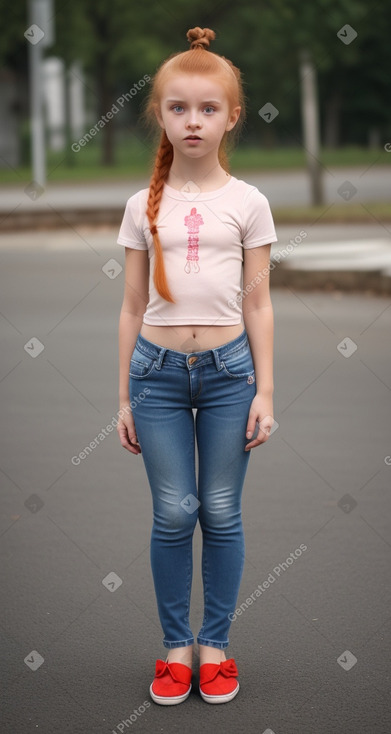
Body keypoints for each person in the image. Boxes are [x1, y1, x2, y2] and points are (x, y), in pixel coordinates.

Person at [116, 26, 278, 705]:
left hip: (228, 375)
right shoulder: (138, 206)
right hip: (153, 376)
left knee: (219, 508)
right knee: (173, 513)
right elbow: (129, 307)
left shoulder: (247, 202)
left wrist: (265, 389)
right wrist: (123, 398)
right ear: (159, 114)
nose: (192, 120)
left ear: (231, 116)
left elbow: (260, 303)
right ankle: (174, 648)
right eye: (178, 107)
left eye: (207, 108)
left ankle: (215, 647)